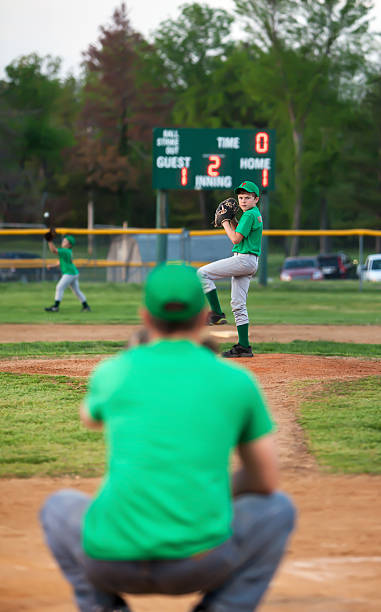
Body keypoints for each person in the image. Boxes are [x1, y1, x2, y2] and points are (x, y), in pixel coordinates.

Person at [39, 263, 295, 612]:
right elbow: (264, 480)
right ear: (204, 313)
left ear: (144, 315)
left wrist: (133, 355)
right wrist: (211, 488)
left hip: (112, 560)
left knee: (57, 507)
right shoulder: (235, 381)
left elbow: (91, 417)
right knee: (278, 508)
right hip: (199, 564)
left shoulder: (114, 372)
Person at [198, 180, 263, 358]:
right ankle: (244, 346)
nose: (243, 201)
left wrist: (225, 221)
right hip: (249, 261)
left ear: (256, 199)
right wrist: (233, 219)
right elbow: (241, 234)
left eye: (247, 198)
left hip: (244, 260)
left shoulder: (249, 215)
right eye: (240, 197)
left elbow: (235, 239)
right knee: (238, 305)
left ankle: (217, 314)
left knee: (202, 273)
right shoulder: (252, 214)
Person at [44, 234, 91, 313]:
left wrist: (49, 241)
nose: (63, 241)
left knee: (59, 287)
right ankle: (86, 306)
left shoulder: (65, 251)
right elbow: (61, 262)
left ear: (69, 245)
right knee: (76, 291)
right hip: (73, 272)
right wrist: (52, 265)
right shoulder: (67, 251)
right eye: (63, 240)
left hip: (69, 273)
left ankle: (55, 307)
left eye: (65, 241)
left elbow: (53, 250)